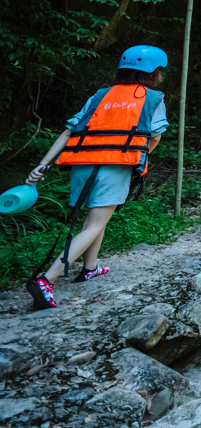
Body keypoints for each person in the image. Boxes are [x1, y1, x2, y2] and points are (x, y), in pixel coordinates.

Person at [25, 45, 171, 308]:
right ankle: (47, 279)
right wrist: (138, 159)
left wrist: (43, 165)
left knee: (96, 218)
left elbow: (69, 131)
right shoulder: (152, 98)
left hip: (83, 162)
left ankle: (89, 267)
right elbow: (155, 136)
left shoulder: (100, 95)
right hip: (115, 165)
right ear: (153, 71)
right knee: (94, 224)